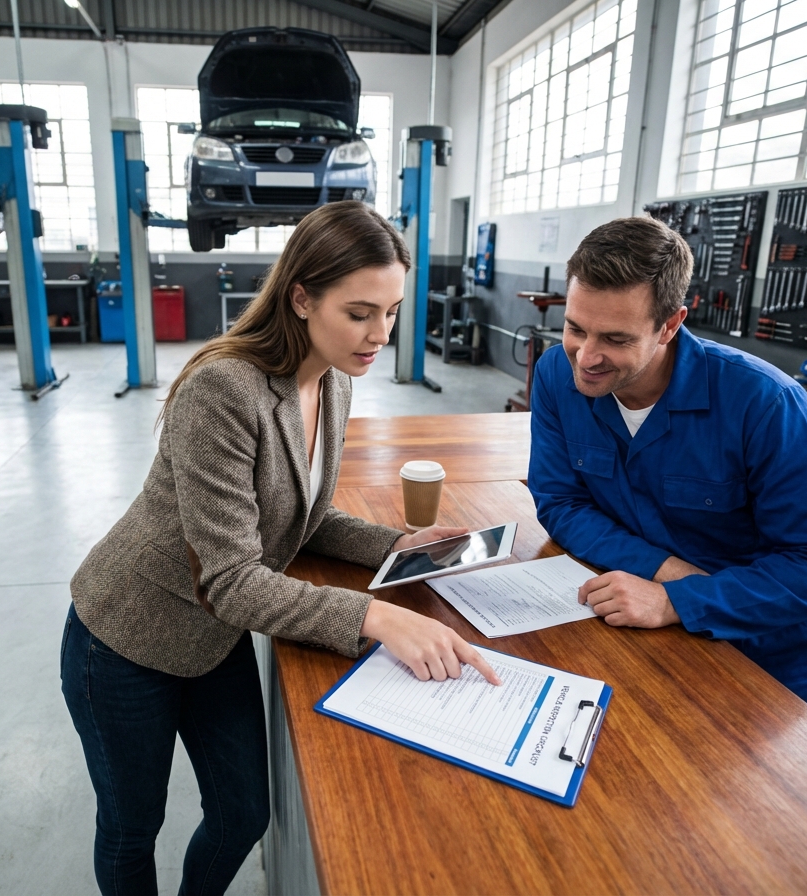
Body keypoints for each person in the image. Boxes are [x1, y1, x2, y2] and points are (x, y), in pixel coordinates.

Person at [61, 201, 500, 896]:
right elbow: (233, 576)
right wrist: (375, 617)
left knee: (241, 814)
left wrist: (398, 544)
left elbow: (304, 515)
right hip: (126, 639)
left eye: (390, 312)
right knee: (130, 823)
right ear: (301, 297)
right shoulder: (222, 390)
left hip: (212, 641)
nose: (379, 334)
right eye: (360, 313)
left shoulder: (337, 381)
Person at [527, 216, 807, 712]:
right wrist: (663, 571)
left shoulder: (765, 402)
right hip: (638, 628)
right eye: (575, 329)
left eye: (616, 339)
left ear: (671, 324)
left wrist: (677, 601)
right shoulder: (557, 375)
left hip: (761, 654)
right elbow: (561, 501)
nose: (587, 357)